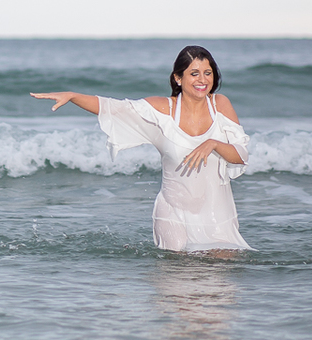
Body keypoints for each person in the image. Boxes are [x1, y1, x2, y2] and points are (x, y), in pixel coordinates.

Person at [31, 45, 251, 253]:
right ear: (178, 77)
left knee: (220, 285)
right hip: (173, 214)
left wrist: (213, 143)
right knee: (178, 278)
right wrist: (73, 96)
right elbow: (115, 108)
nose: (202, 80)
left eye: (208, 73)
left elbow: (241, 156)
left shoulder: (219, 105)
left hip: (216, 214)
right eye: (194, 73)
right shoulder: (162, 110)